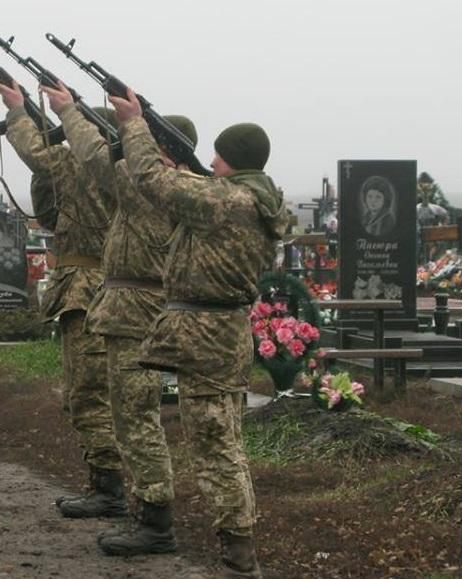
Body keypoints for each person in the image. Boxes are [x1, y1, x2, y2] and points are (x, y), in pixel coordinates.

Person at [109, 88, 288, 578]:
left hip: (206, 336)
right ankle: (238, 549)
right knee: (222, 440)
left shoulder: (226, 201)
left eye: (218, 156)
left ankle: (240, 558)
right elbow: (187, 186)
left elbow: (151, 180)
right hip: (222, 334)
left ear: (233, 160)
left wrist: (134, 124)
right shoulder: (248, 199)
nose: (210, 163)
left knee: (214, 446)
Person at [40, 81, 185, 557]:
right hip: (132, 311)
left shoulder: (157, 190)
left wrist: (70, 112)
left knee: (138, 420)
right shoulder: (172, 190)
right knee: (129, 418)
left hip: (138, 314)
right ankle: (143, 512)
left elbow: (95, 158)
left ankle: (155, 522)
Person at [0, 81, 126, 520]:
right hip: (112, 289)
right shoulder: (126, 171)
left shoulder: (82, 166)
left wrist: (18, 111)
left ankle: (109, 489)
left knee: (88, 395)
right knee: (98, 393)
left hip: (86, 290)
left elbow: (35, 153)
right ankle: (108, 482)